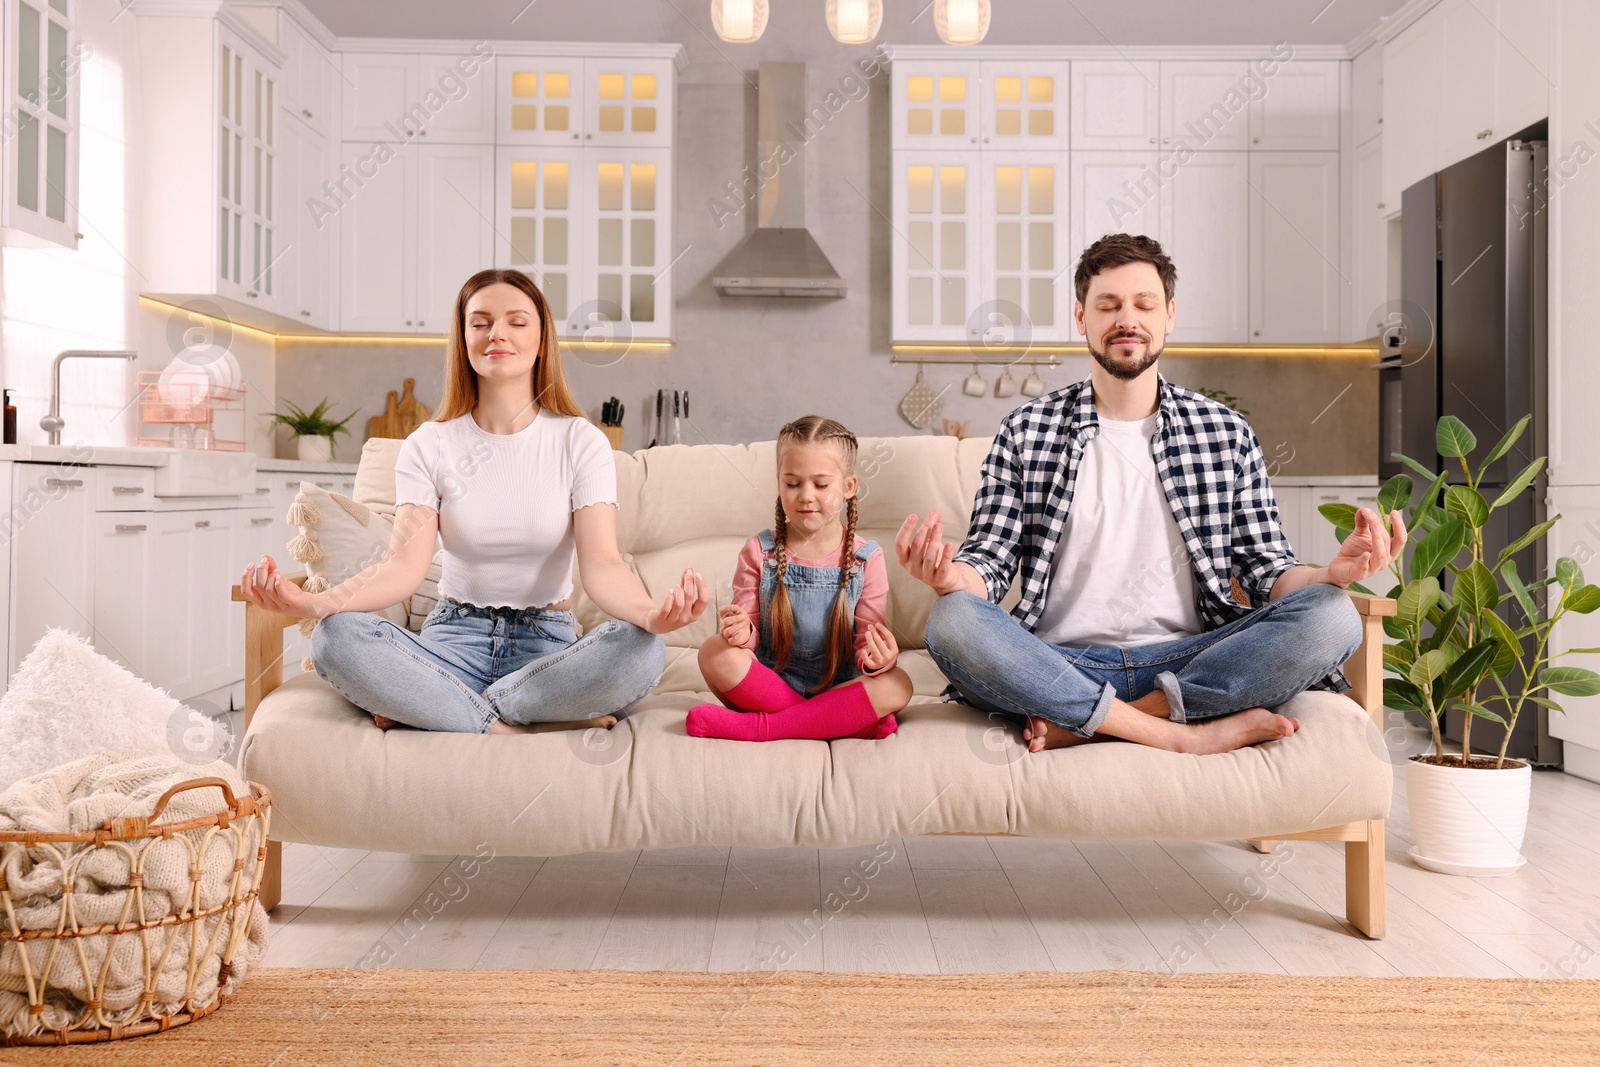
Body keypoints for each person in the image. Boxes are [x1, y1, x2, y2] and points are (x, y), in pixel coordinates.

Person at [899, 233, 1404, 755]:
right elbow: (991, 559)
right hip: (1055, 664)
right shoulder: (1027, 429)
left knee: (1334, 614)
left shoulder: (1223, 432)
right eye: (1108, 304)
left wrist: (1329, 575)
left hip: (1193, 658)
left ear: (1169, 315)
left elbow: (1265, 568)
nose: (1127, 319)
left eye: (1144, 304)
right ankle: (1180, 735)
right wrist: (950, 578)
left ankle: (1116, 720)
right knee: (952, 619)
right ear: (1081, 317)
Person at [238, 268, 709, 734]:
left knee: (644, 648)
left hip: (546, 653)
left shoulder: (579, 441)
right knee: (335, 638)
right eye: (480, 322)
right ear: (463, 338)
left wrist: (651, 615)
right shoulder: (429, 443)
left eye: (516, 322)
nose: (496, 334)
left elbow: (603, 565)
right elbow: (402, 567)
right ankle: (513, 724)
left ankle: (449, 710)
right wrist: (316, 604)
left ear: (542, 339)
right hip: (450, 644)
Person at [687, 416, 914, 742]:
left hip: (841, 687)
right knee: (713, 652)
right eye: (793, 484)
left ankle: (763, 728)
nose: (806, 496)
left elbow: (867, 642)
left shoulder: (867, 560)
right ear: (779, 484)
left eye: (821, 485)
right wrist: (741, 632)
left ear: (848, 487)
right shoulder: (759, 551)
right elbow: (747, 637)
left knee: (899, 683)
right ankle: (837, 722)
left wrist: (880, 659)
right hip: (771, 683)